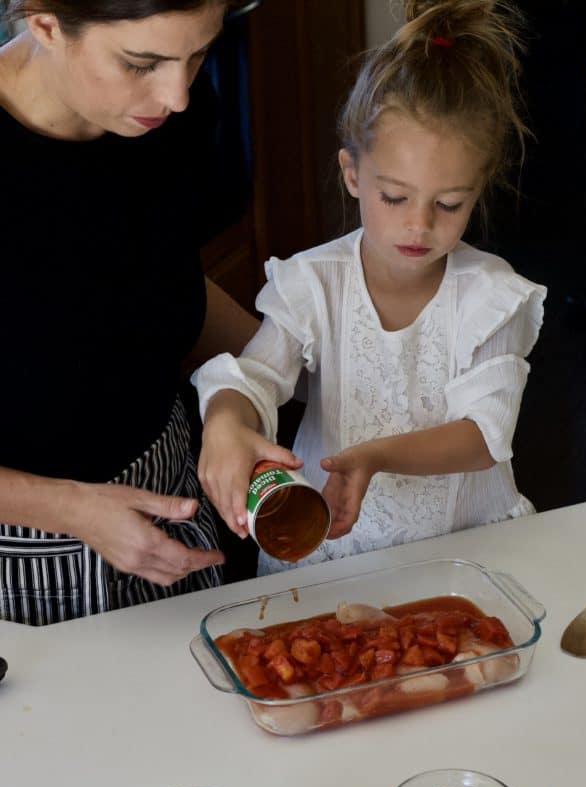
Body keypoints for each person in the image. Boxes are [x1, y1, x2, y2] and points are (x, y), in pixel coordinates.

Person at [194, 0, 547, 576]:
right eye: (395, 197)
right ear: (352, 174)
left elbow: (485, 435)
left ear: (478, 191)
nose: (419, 224)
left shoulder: (491, 296)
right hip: (329, 556)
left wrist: (375, 456)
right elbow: (255, 376)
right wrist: (227, 422)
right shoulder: (313, 282)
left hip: (463, 554)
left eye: (449, 203)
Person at [0, 0, 258, 624]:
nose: (177, 96)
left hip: (171, 497)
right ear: (45, 23)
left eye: (197, 55)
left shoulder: (164, 124)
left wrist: (275, 377)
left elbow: (151, 290)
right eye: (140, 63)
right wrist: (71, 510)